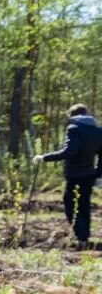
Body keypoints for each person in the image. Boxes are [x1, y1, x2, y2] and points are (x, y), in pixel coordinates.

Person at [34, 104, 102, 250]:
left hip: (75, 176)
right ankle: (84, 238)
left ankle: (82, 237)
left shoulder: (74, 129)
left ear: (71, 115)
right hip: (89, 175)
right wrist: (98, 173)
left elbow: (69, 152)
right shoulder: (97, 131)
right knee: (84, 205)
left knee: (70, 206)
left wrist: (44, 158)